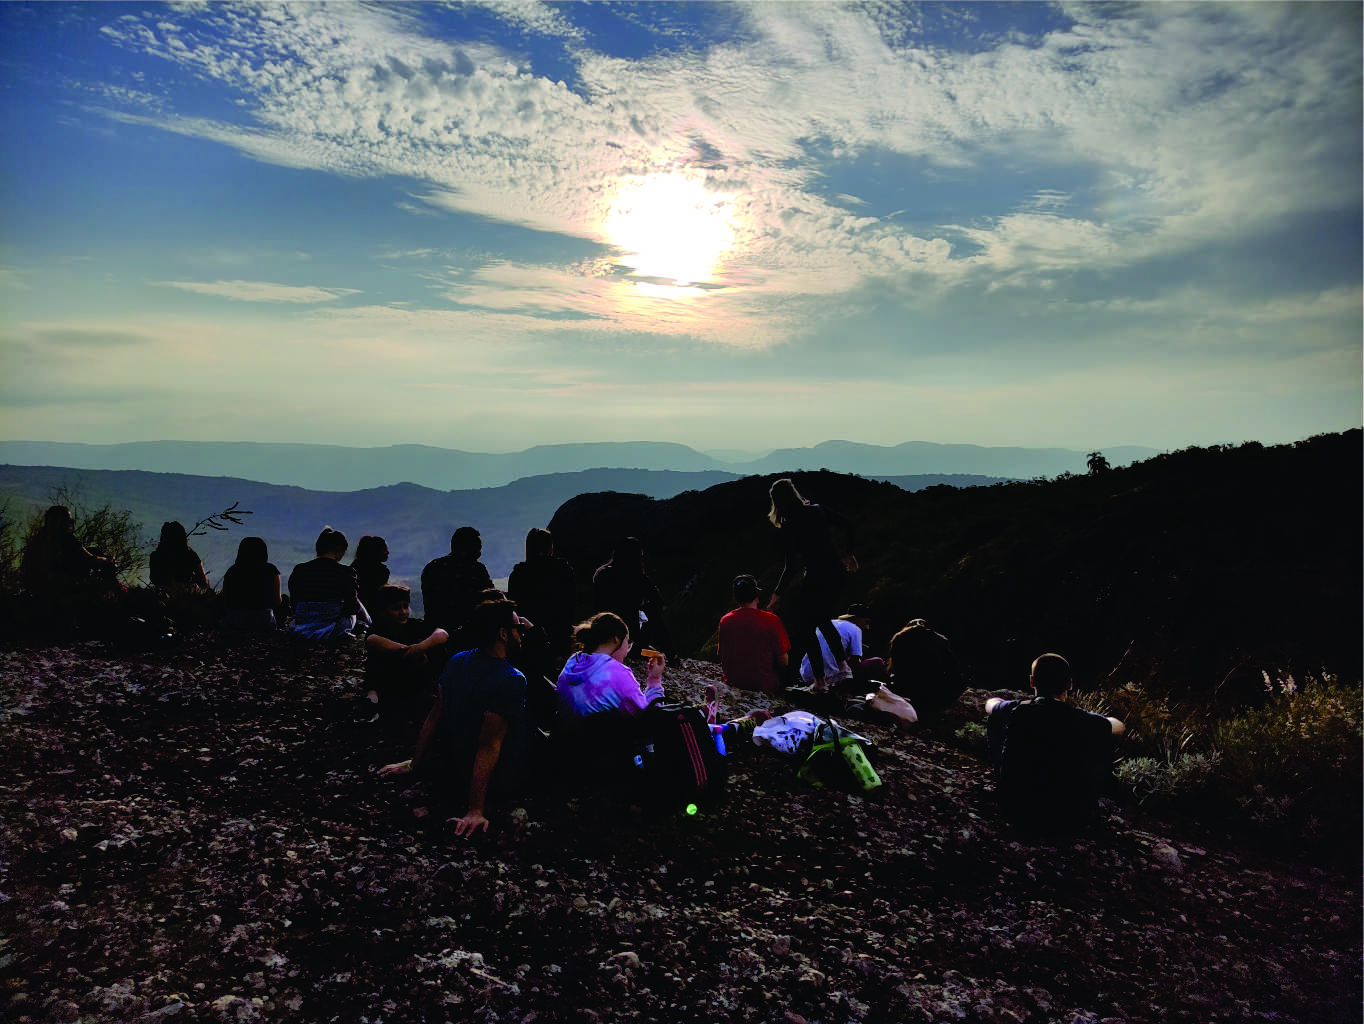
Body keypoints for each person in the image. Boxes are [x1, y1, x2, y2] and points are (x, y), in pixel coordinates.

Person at [380, 599, 528, 836]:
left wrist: (414, 764)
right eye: (517, 627)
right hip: (501, 779)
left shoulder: (459, 660)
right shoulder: (511, 679)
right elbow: (488, 744)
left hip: (457, 768)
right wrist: (475, 809)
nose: (522, 632)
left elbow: (434, 716)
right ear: (502, 633)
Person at [985, 653, 1126, 830]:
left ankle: (1004, 781)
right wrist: (1097, 721)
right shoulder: (1081, 720)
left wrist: (1000, 705)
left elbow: (990, 705)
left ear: (1032, 681)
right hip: (1069, 819)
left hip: (1015, 810)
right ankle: (1087, 799)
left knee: (994, 719)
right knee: (1103, 736)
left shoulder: (1015, 710)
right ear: (1070, 684)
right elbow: (1119, 727)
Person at [765, 478, 858, 694]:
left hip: (816, 576)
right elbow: (849, 525)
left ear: (777, 502)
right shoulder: (818, 510)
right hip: (836, 573)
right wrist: (848, 553)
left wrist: (777, 593)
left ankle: (820, 682)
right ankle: (844, 669)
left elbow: (791, 566)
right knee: (823, 620)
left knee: (807, 628)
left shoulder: (789, 526)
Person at [554, 612, 665, 781]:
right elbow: (649, 716)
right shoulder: (616, 672)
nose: (627, 649)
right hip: (601, 760)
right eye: (627, 642)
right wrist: (654, 679)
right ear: (615, 639)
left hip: (567, 751)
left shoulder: (573, 662)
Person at [20, 504, 121, 629]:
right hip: (56, 585)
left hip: (36, 585)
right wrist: (108, 560)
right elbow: (89, 559)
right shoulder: (66, 539)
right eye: (68, 519)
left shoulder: (39, 538)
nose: (71, 522)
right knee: (96, 558)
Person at [363, 585, 448, 729]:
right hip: (389, 677)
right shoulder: (379, 628)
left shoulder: (414, 625)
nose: (403, 612)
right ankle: (372, 700)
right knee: (377, 662)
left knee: (439, 650)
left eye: (405, 606)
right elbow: (372, 640)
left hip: (413, 675)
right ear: (383, 612)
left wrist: (421, 647)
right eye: (396, 608)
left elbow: (442, 634)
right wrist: (409, 651)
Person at [591, 536, 670, 657]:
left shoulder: (602, 573)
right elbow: (657, 601)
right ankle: (670, 653)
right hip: (626, 636)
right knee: (651, 613)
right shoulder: (637, 578)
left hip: (600, 632)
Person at [507, 527, 577, 660]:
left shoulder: (519, 573)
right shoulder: (564, 570)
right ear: (550, 546)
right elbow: (571, 605)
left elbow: (516, 607)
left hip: (529, 639)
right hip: (561, 636)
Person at [288, 527, 370, 640]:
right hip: (334, 630)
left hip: (302, 625)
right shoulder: (346, 572)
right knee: (356, 609)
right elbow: (352, 606)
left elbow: (294, 601)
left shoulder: (300, 569)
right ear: (339, 550)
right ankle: (367, 625)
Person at [717, 574, 790, 696]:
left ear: (736, 597)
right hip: (764, 684)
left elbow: (720, 654)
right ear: (756, 594)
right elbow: (784, 662)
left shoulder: (725, 620)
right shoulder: (771, 620)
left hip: (734, 682)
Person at [421, 526, 494, 637]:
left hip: (433, 631)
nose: (480, 553)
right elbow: (492, 597)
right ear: (466, 548)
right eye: (477, 548)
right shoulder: (477, 570)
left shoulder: (433, 567)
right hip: (469, 633)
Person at [886, 618, 965, 715]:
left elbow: (895, 669)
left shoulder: (899, 638)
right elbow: (953, 670)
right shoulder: (940, 640)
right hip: (935, 692)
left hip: (906, 690)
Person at [798, 604, 883, 687]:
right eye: (866, 622)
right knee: (877, 662)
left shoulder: (829, 623)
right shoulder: (855, 629)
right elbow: (855, 663)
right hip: (829, 676)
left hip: (806, 673)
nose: (867, 627)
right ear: (855, 618)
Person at [219, 536, 285, 632]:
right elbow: (277, 601)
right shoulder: (271, 570)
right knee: (285, 599)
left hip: (235, 622)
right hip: (263, 622)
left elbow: (225, 600)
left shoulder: (232, 570)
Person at [148, 521, 211, 594]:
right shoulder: (191, 555)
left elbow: (153, 579)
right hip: (186, 596)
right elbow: (203, 582)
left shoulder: (155, 556)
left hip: (162, 595)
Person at [351, 536, 391, 617]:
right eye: (384, 550)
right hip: (373, 613)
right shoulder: (382, 572)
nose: (388, 552)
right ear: (376, 551)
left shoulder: (354, 567)